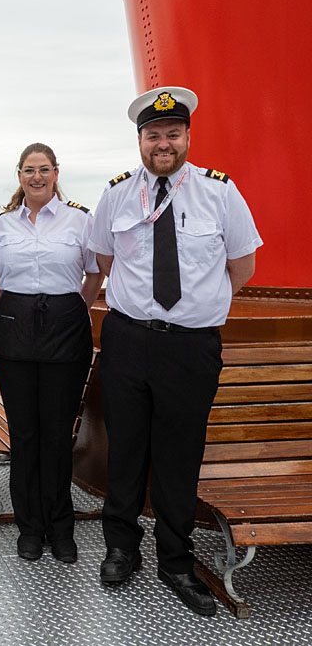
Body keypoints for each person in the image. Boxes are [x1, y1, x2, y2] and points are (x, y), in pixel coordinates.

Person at [89, 86, 261, 615]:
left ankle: (176, 561)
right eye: (152, 135)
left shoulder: (220, 193)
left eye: (172, 134)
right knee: (126, 450)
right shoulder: (117, 194)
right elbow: (103, 257)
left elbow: (242, 267)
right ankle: (121, 547)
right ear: (139, 140)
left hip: (190, 348)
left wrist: (197, 308)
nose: (162, 143)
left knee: (178, 455)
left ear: (187, 137)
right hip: (127, 338)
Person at [0, 143, 103, 564]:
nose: (36, 177)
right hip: (16, 329)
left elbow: (94, 272)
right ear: (18, 175)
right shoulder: (1, 226)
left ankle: (61, 527)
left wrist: (72, 308)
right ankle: (30, 528)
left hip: (65, 326)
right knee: (24, 433)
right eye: (28, 170)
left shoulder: (80, 220)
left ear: (56, 172)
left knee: (57, 434)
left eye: (43, 170)